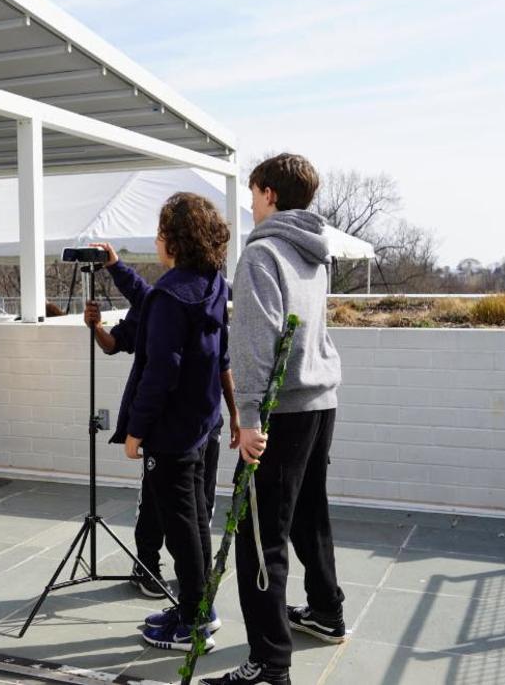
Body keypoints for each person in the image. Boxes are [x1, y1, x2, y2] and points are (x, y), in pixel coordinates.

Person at [202, 154, 344, 685]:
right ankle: (327, 611)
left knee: (259, 537)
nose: (251, 202)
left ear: (270, 195)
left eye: (253, 192)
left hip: (280, 411)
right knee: (308, 512)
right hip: (319, 401)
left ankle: (269, 665)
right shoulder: (314, 250)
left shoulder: (262, 254)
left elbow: (257, 342)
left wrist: (247, 418)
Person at [105, 194, 231, 652]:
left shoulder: (170, 295)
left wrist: (136, 430)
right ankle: (200, 607)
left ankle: (193, 623)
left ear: (175, 239)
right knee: (196, 519)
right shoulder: (213, 284)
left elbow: (161, 370)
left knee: (181, 527)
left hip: (171, 432)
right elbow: (219, 356)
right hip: (201, 424)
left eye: (161, 232)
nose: (157, 240)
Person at [82, 250, 239, 604]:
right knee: (157, 504)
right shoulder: (163, 298)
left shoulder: (208, 290)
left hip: (202, 426)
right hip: (170, 430)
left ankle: (196, 597)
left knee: (199, 509)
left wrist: (233, 413)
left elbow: (220, 358)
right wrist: (96, 326)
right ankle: (153, 570)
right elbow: (117, 341)